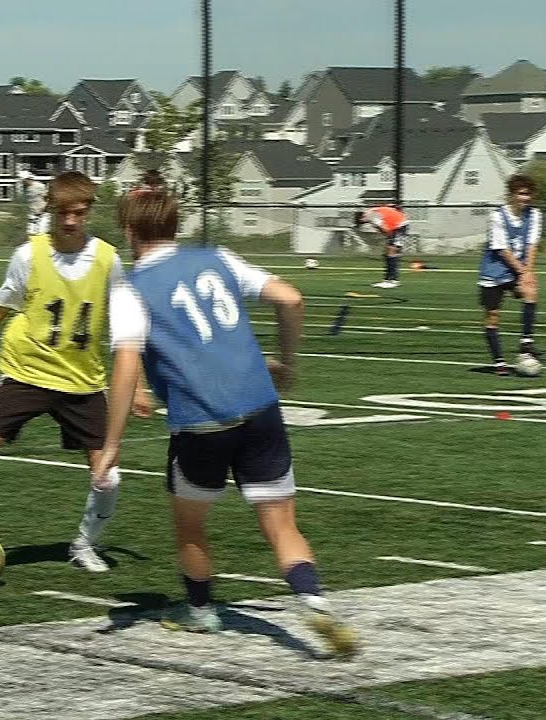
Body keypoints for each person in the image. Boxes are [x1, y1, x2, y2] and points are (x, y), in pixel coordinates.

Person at [92, 189, 359, 658]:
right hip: (260, 409)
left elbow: (127, 363)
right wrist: (288, 366)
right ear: (176, 226)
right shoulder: (217, 258)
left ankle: (200, 611)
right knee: (281, 525)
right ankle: (312, 599)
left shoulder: (130, 289)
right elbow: (291, 300)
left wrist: (111, 443)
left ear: (129, 232)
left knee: (190, 526)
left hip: (201, 424)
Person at [0, 171, 150, 574]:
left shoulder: (108, 260)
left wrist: (138, 386)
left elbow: (127, 329)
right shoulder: (28, 256)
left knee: (109, 478)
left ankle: (84, 544)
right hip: (25, 373)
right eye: (63, 212)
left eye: (79, 212)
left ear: (89, 211)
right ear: (49, 209)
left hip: (82, 382)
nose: (71, 221)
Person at [477, 174, 542, 375]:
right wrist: (522, 270)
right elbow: (502, 249)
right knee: (493, 316)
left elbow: (531, 244)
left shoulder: (534, 215)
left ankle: (526, 343)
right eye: (522, 194)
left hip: (517, 269)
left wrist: (528, 272)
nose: (526, 198)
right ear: (512, 195)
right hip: (495, 270)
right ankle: (499, 361)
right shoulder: (498, 216)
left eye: (528, 194)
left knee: (530, 290)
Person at [355, 205, 408, 289]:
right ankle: (387, 279)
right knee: (389, 252)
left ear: (362, 218)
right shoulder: (371, 212)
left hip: (399, 226)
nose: (365, 223)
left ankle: (393, 280)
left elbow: (384, 229)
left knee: (391, 251)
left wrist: (388, 236)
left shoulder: (371, 216)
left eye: (363, 222)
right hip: (397, 225)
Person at [20, 170, 49, 235]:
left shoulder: (40, 186)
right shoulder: (26, 189)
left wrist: (43, 207)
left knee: (41, 234)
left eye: (23, 180)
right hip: (32, 214)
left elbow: (47, 198)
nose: (22, 182)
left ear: (28, 179)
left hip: (42, 214)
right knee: (31, 233)